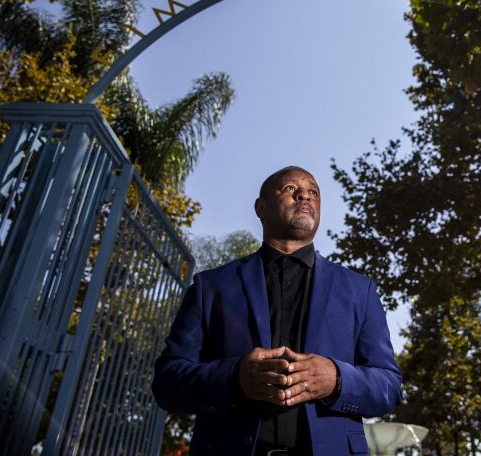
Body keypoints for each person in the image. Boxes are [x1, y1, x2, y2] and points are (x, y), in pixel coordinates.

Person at [152, 166, 402, 455]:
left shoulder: (360, 290)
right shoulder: (211, 286)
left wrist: (336, 379)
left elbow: (389, 386)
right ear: (261, 207)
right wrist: (234, 378)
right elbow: (167, 382)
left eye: (313, 193)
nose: (304, 196)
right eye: (290, 189)